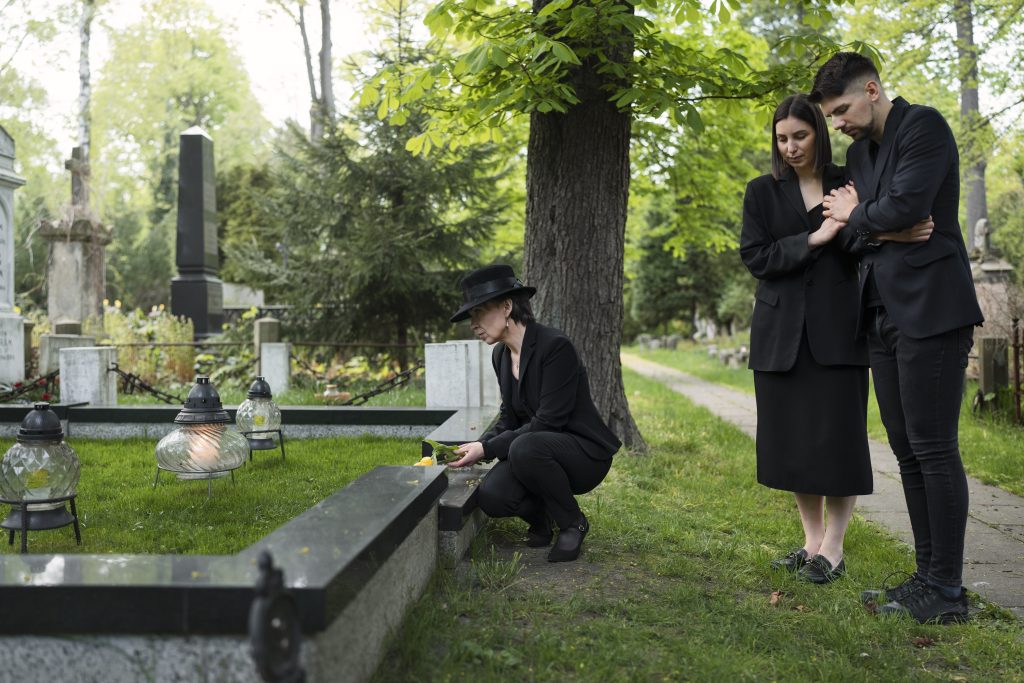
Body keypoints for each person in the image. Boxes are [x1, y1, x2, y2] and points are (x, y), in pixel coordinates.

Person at [812, 52, 984, 623]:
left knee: (934, 450)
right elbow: (852, 237)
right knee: (907, 453)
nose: (837, 124)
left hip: (933, 309)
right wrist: (877, 222)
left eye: (842, 110)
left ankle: (948, 592)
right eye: (831, 115)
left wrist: (864, 211)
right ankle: (927, 578)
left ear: (873, 89)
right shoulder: (861, 153)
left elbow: (908, 206)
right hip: (880, 314)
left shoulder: (924, 127)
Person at [740, 94, 931, 585]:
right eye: (781, 138)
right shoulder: (761, 191)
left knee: (838, 440)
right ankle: (811, 542)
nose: (790, 147)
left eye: (800, 136)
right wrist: (812, 239)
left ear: (818, 134)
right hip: (780, 336)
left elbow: (866, 238)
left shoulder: (850, 180)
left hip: (840, 329)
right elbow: (757, 257)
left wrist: (883, 232)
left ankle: (836, 547)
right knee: (796, 444)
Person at [446, 265, 621, 562]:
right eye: (470, 316)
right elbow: (508, 417)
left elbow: (549, 421)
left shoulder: (555, 347)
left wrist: (486, 447)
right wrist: (477, 448)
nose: (473, 323)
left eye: (478, 312)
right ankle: (542, 518)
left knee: (526, 446)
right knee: (492, 496)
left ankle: (572, 522)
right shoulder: (500, 355)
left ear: (506, 305)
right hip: (535, 451)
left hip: (582, 454)